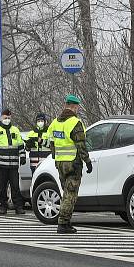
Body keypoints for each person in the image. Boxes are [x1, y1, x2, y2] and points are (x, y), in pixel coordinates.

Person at [47, 95, 92, 234]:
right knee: (70, 194)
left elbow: (51, 142)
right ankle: (63, 223)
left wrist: (56, 157)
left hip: (60, 163)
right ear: (74, 106)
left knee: (65, 193)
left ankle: (66, 222)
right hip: (73, 162)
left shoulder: (55, 122)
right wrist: (87, 161)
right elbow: (81, 145)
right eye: (77, 107)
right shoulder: (74, 122)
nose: (77, 109)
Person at [0, 108, 26, 215]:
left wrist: (22, 156)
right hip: (1, 164)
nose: (7, 119)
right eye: (5, 118)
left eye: (9, 118)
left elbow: (20, 145)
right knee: (2, 187)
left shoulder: (15, 130)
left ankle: (18, 207)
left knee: (15, 186)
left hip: (14, 164)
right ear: (1, 118)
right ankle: (3, 206)